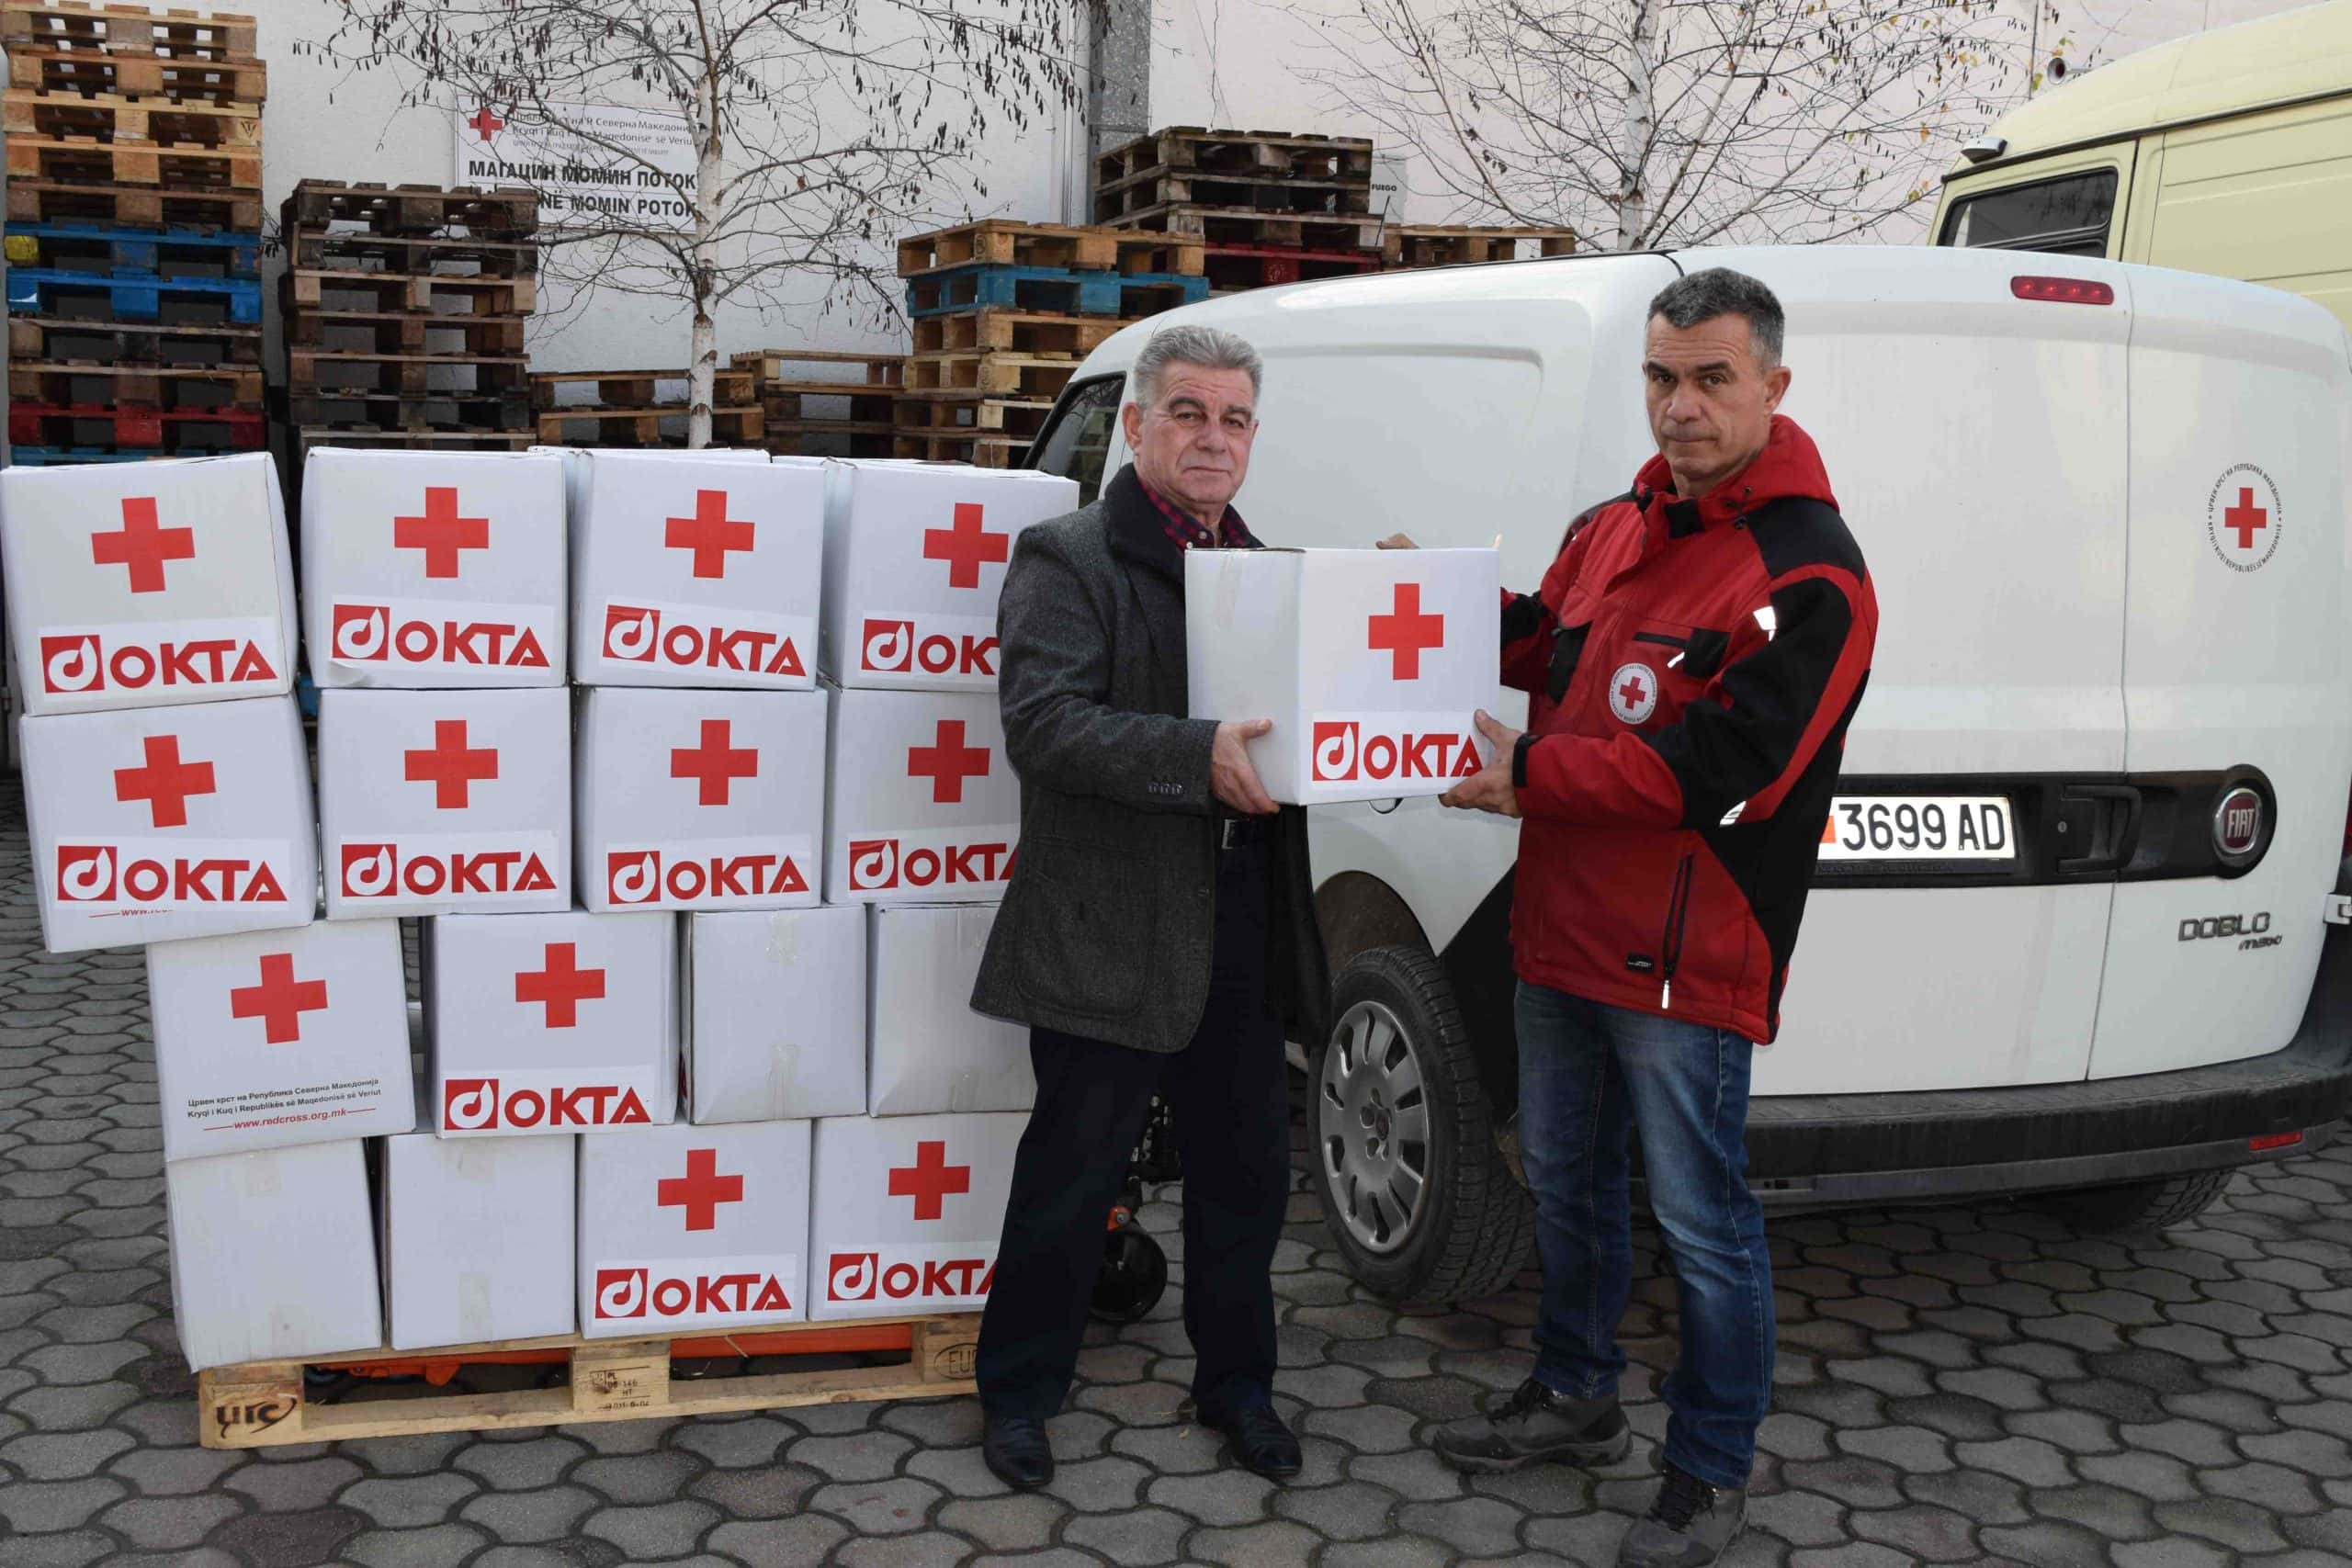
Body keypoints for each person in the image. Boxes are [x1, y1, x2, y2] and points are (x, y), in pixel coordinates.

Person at [1400, 269, 1879, 1568]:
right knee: (1563, 1183)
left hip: (1685, 957)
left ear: (1773, 386)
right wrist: (1420, 602)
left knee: (1705, 1224)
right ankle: (1575, 1393)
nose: (1681, 406)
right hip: (1559, 928)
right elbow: (1543, 645)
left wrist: (1531, 774)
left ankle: (1709, 1469)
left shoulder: (1813, 574)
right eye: (1662, 378)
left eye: (1712, 379)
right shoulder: (1613, 524)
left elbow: (1728, 772)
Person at [968, 323, 1330, 1492]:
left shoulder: (1269, 571)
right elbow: (1044, 724)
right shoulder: (1067, 555)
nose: (1212, 438)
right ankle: (1019, 1394)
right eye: (1187, 413)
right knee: (1073, 1173)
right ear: (1134, 425)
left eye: (1234, 419)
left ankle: (1239, 1389)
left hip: (1240, 915)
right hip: (1109, 919)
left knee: (1246, 1178)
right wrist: (1194, 755)